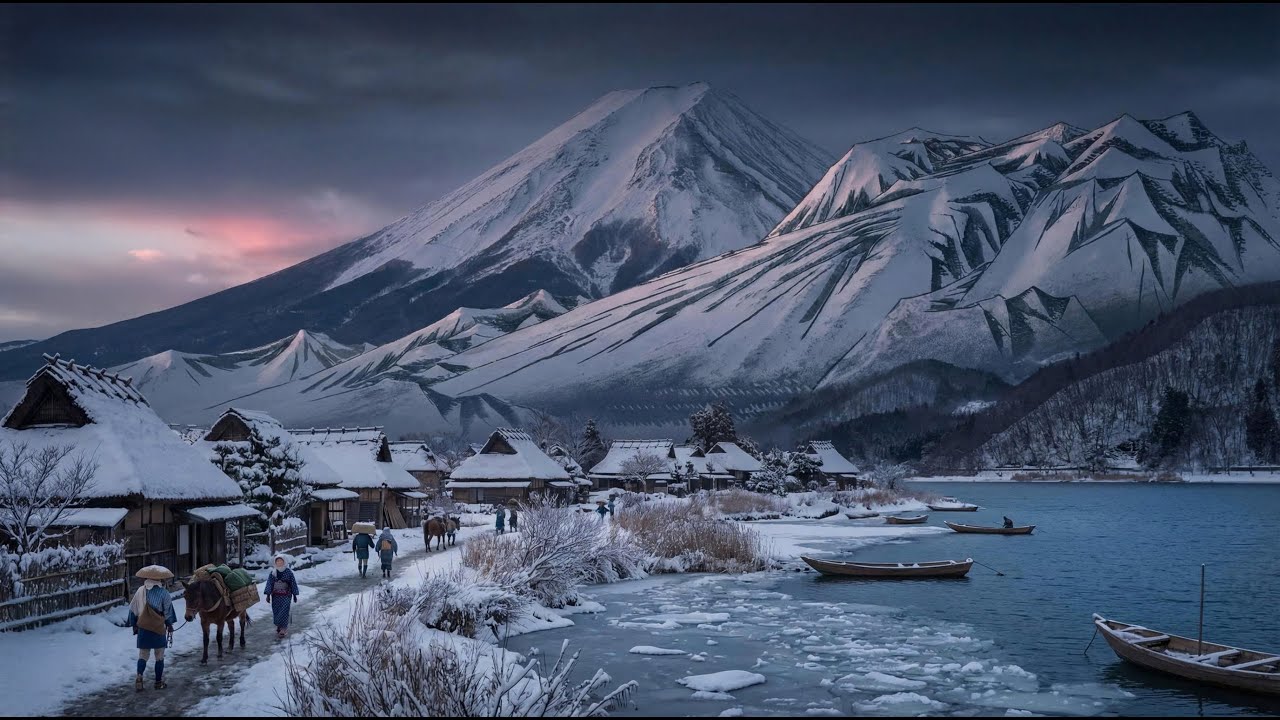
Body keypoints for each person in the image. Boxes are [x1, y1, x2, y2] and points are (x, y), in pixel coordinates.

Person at [126, 565, 176, 691]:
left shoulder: (140, 591)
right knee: (159, 656)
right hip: (158, 628)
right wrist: (169, 625)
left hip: (143, 627)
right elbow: (168, 612)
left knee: (143, 655)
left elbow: (133, 609)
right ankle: (158, 683)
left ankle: (139, 678)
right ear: (160, 580)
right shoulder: (164, 593)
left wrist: (134, 626)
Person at [262, 554, 300, 638]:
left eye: (281, 561)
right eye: (277, 561)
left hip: (286, 595)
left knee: (284, 611)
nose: (279, 562)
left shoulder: (288, 572)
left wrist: (295, 595)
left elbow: (293, 583)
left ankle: (284, 628)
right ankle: (279, 626)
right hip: (275, 596)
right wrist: (268, 595)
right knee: (277, 611)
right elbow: (269, 583)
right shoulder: (273, 572)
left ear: (284, 561)